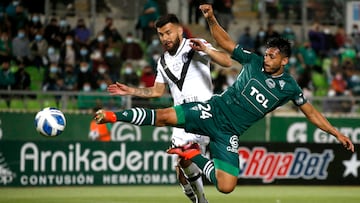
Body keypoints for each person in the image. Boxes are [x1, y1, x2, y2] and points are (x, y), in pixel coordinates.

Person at [94, 4, 355, 195]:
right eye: (266, 53)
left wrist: (335, 132)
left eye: (272, 56)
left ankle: (193, 154)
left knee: (227, 186)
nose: (266, 58)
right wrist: (210, 18)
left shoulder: (289, 87)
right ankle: (112, 116)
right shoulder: (252, 60)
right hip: (213, 110)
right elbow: (227, 44)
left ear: (284, 61)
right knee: (165, 117)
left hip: (229, 132)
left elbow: (311, 113)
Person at [105, 14, 232, 203]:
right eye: (161, 35)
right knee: (181, 173)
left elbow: (227, 61)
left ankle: (202, 200)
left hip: (202, 114)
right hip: (179, 118)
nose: (165, 38)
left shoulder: (195, 45)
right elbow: (157, 91)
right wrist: (131, 90)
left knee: (185, 159)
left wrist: (206, 49)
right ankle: (198, 198)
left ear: (179, 30)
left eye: (168, 33)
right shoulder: (163, 61)